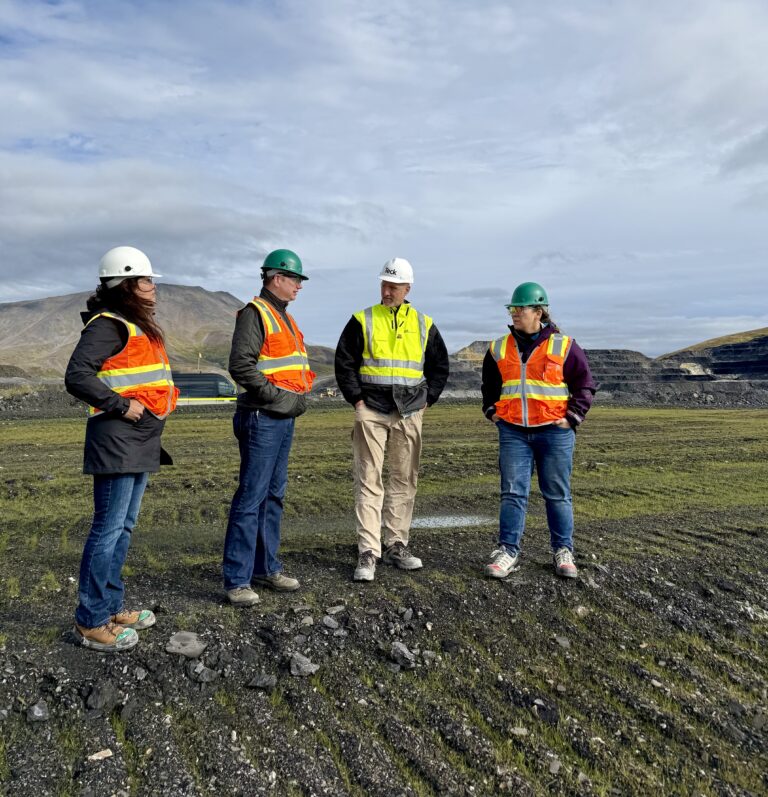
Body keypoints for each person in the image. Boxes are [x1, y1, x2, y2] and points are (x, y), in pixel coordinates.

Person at [65, 246, 178, 652]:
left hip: (139, 438)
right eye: (147, 280)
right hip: (117, 438)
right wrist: (122, 405)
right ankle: (90, 620)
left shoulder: (132, 325)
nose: (153, 287)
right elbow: (77, 375)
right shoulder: (108, 325)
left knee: (123, 527)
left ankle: (110, 606)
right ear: (127, 284)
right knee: (108, 528)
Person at [335, 257, 449, 581]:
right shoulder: (362, 320)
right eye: (384, 284)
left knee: (403, 479)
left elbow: (440, 367)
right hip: (371, 409)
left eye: (393, 286)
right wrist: (356, 399)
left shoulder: (424, 324)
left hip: (410, 412)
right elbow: (344, 361)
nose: (387, 291)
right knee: (368, 480)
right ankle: (368, 552)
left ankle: (397, 544)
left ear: (407, 289)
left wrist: (429, 399)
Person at [481, 281, 595, 580]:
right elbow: (489, 387)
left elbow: (584, 385)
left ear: (539, 312)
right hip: (513, 432)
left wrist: (573, 418)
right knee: (512, 493)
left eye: (521, 308)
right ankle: (508, 551)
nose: (515, 313)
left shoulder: (565, 345)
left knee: (557, 494)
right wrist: (492, 412)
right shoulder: (498, 347)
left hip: (555, 432)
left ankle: (563, 551)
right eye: (512, 308)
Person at [222, 249, 315, 606]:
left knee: (273, 495)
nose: (298, 287)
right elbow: (241, 367)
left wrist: (288, 402)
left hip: (281, 418)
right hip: (262, 418)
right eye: (295, 280)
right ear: (276, 278)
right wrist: (277, 398)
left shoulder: (285, 318)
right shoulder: (255, 314)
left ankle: (265, 567)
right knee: (251, 497)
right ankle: (237, 579)